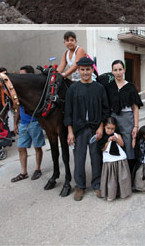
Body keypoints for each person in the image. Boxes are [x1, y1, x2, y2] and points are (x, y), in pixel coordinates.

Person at [64, 56, 109, 201]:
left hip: (96, 129)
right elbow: (68, 112)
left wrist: (101, 127)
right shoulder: (73, 89)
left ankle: (96, 185)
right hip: (79, 129)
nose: (85, 72)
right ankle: (80, 186)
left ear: (92, 70)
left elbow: (105, 110)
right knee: (79, 159)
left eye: (88, 69)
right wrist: (70, 132)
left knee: (96, 158)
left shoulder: (99, 88)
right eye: (82, 70)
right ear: (78, 70)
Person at [101, 59, 143, 170]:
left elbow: (135, 108)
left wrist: (136, 126)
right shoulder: (109, 87)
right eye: (115, 70)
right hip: (113, 119)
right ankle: (116, 173)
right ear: (112, 72)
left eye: (120, 69)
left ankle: (130, 174)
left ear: (124, 70)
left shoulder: (130, 87)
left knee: (129, 145)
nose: (118, 72)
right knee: (114, 143)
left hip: (127, 119)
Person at [10, 65, 45, 183]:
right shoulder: (19, 91)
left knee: (37, 147)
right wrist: (15, 124)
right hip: (24, 124)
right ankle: (23, 172)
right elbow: (17, 108)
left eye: (22, 74)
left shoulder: (33, 90)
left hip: (34, 122)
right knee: (21, 148)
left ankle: (38, 169)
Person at [98, 117, 132, 201]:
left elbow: (122, 144)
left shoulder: (117, 135)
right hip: (109, 161)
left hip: (119, 159)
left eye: (112, 129)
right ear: (104, 127)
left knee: (122, 178)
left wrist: (116, 139)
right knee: (111, 180)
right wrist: (108, 141)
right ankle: (111, 194)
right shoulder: (103, 137)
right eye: (108, 128)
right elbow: (103, 149)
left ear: (115, 127)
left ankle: (123, 192)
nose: (110, 131)